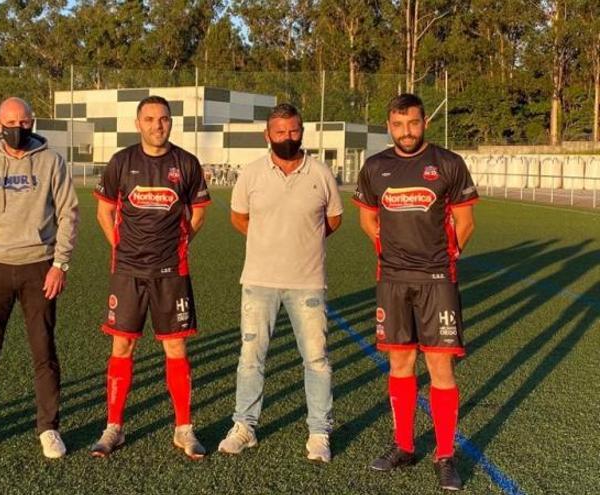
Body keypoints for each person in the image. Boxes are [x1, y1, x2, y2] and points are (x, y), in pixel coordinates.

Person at [353, 93, 477, 491]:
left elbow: (465, 221)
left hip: (437, 281)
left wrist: (442, 258)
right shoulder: (375, 167)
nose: (406, 131)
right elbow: (368, 217)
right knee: (400, 364)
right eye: (397, 124)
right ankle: (404, 446)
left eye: (413, 123)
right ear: (388, 125)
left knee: (440, 368)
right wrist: (390, 252)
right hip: (392, 280)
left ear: (424, 122)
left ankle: (444, 455)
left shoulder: (448, 164)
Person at [0, 97, 79, 460]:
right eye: (10, 122)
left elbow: (69, 215)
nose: (17, 129)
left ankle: (49, 427)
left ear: (32, 122)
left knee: (43, 350)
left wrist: (60, 265)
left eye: (23, 123)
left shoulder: (52, 162)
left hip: (39, 267)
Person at [219, 103, 342, 462]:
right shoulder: (252, 174)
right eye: (280, 132)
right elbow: (240, 218)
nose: (287, 138)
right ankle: (244, 426)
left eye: (294, 131)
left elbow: (332, 221)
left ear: (302, 131)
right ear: (267, 135)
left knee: (316, 360)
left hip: (308, 283)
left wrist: (302, 243)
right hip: (259, 281)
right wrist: (270, 243)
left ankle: (319, 431)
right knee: (251, 358)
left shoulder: (320, 172)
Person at [90, 95, 211, 459]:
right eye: (150, 119)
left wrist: (177, 243)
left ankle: (184, 429)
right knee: (122, 346)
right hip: (128, 273)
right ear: (138, 123)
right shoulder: (121, 161)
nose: (158, 125)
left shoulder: (186, 163)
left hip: (171, 273)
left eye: (164, 119)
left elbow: (200, 213)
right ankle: (114, 427)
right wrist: (123, 248)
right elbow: (104, 212)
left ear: (171, 122)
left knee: (175, 346)